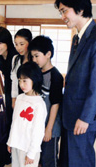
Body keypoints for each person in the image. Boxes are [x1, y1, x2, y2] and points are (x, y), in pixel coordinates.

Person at [54, 0, 96, 166]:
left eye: (64, 11)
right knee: (67, 159)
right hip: (71, 112)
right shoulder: (77, 37)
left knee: (79, 160)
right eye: (60, 12)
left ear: (80, 10)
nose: (62, 17)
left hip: (83, 115)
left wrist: (86, 118)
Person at [29, 35, 63, 167]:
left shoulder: (56, 76)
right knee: (36, 158)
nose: (34, 59)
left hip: (51, 127)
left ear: (48, 54)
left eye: (37, 56)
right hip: (37, 126)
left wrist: (48, 129)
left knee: (49, 160)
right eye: (32, 56)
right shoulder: (36, 73)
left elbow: (55, 104)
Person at [7, 62, 47, 167]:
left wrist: (31, 153)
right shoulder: (19, 98)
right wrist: (10, 141)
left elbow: (38, 131)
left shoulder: (39, 104)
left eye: (25, 81)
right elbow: (14, 123)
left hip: (28, 149)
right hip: (16, 145)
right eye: (20, 81)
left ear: (35, 79)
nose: (21, 84)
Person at [0, 26, 18, 127]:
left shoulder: (15, 55)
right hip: (8, 86)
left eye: (0, 43)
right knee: (9, 115)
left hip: (20, 87)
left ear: (7, 42)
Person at [11, 28, 32, 108]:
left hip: (31, 98)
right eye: (16, 44)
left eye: (21, 44)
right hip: (20, 96)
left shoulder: (34, 60)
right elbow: (14, 80)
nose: (18, 48)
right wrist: (14, 99)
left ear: (29, 43)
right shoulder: (15, 59)